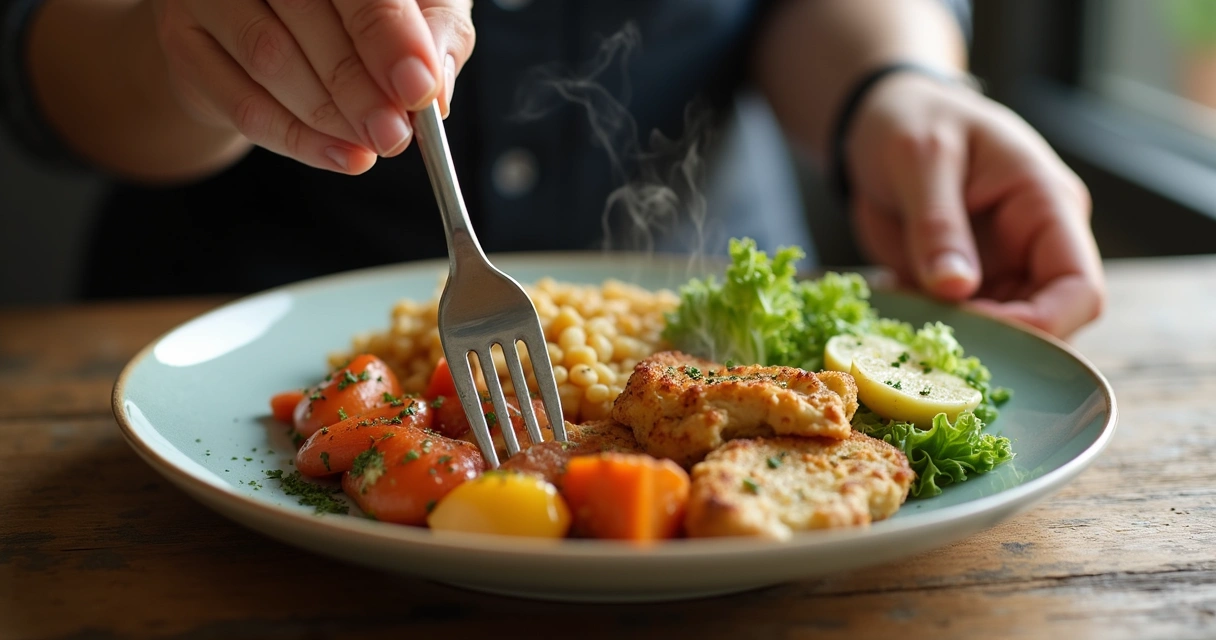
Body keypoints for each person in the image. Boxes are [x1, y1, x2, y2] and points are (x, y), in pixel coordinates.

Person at [0, 0, 1103, 337]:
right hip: (231, 316)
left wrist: (897, 90)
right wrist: (197, 56)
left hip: (716, 312)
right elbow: (37, 60)